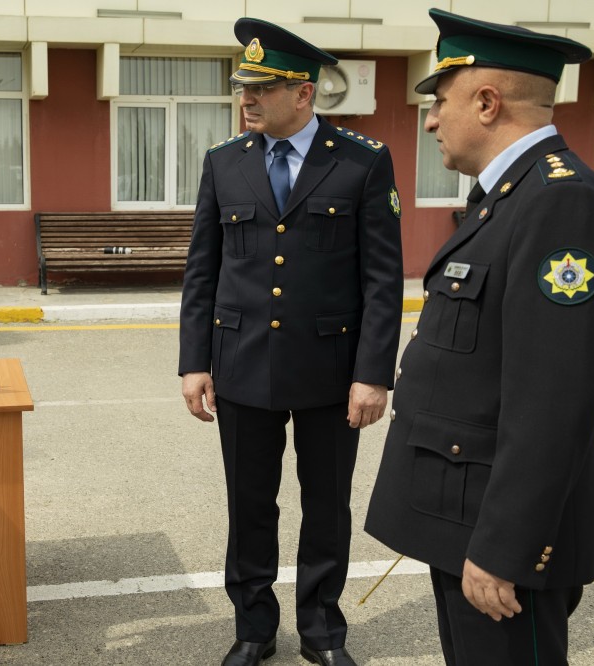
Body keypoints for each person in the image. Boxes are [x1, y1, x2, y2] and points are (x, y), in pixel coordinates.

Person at [365, 9, 594, 665]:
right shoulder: (506, 198)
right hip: (466, 517)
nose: (430, 121)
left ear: (486, 102)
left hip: (497, 536)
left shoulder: (559, 203)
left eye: (440, 101)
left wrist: (503, 548)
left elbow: (554, 400)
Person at [179, 17, 404, 666]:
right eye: (243, 86)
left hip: (331, 371)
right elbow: (204, 269)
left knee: (326, 507)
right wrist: (194, 361)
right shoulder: (224, 164)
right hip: (243, 365)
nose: (246, 98)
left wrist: (373, 373)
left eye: (262, 88)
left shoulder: (361, 162)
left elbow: (382, 279)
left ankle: (321, 632)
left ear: (303, 93)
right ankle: (253, 628)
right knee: (250, 506)